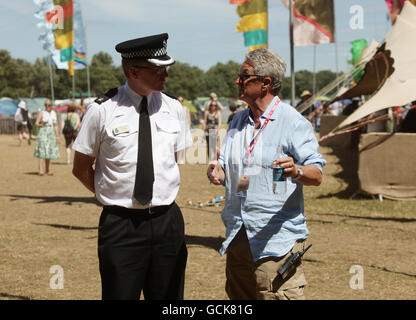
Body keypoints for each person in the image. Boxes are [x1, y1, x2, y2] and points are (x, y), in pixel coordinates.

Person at [72, 33, 193, 300]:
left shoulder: (174, 108)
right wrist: (111, 193)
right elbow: (81, 167)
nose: (165, 75)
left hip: (167, 222)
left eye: (166, 68)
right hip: (121, 226)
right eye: (157, 69)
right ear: (134, 70)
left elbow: (173, 159)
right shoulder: (102, 110)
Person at [207, 48, 326, 300]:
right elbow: (232, 172)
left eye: (244, 76)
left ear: (265, 83)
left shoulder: (293, 122)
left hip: (275, 243)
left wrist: (297, 170)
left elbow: (316, 174)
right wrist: (219, 172)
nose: (237, 81)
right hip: (238, 236)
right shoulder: (237, 121)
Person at [34, 99, 60, 176]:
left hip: (51, 133)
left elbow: (55, 126)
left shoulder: (53, 113)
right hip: (43, 132)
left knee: (49, 151)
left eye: (49, 105)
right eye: (46, 105)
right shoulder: (42, 113)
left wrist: (57, 136)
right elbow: (36, 123)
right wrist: (40, 125)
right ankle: (40, 170)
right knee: (42, 151)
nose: (47, 106)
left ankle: (47, 170)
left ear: (51, 106)